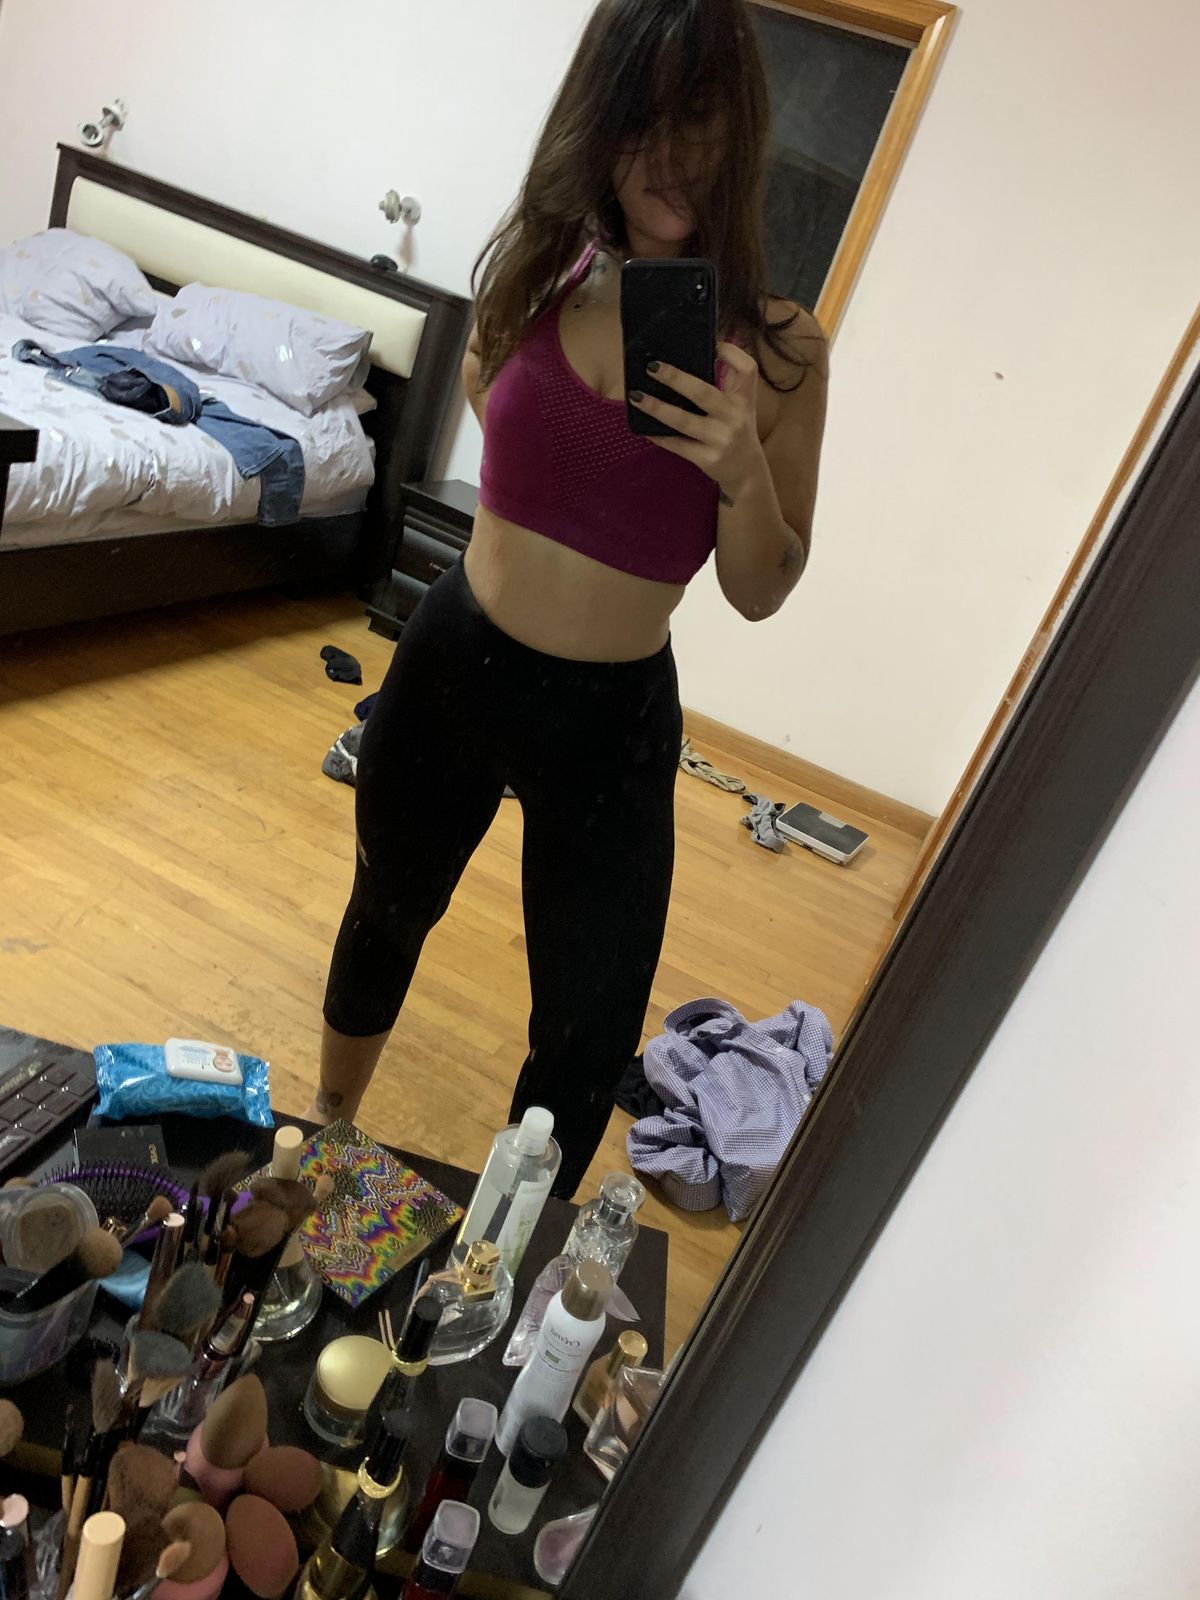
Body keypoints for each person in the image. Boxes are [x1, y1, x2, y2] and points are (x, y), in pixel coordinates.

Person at [311, 0, 828, 1198]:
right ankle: (325, 1138)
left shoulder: (782, 350)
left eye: (698, 115)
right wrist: (562, 478)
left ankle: (497, 1250)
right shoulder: (545, 266)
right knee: (387, 909)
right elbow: (488, 385)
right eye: (639, 115)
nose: (669, 153)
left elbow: (763, 588)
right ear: (597, 119)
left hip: (614, 721)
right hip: (457, 661)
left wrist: (740, 472)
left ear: (740, 126)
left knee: (589, 1028)